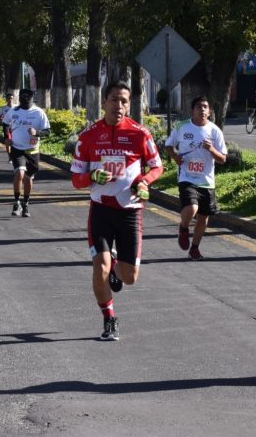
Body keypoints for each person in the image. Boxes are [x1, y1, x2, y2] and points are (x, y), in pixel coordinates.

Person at [71, 81, 163, 341]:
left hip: (130, 212)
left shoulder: (140, 134)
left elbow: (157, 167)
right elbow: (76, 179)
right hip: (100, 211)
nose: (119, 106)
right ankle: (109, 317)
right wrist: (91, 176)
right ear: (103, 102)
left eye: (124, 101)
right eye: (114, 100)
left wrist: (145, 181)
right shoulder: (88, 136)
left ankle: (115, 269)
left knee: (129, 277)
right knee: (99, 267)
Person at [164, 95, 227, 260]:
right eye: (199, 106)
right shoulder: (182, 126)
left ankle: (195, 248)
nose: (202, 110)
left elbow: (222, 159)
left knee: (203, 217)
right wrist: (175, 156)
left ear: (210, 111)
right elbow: (169, 145)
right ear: (192, 110)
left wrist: (212, 149)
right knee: (192, 208)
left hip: (206, 180)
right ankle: (184, 227)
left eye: (205, 107)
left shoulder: (215, 131)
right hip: (187, 176)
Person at [4, 88, 50, 217]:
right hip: (17, 148)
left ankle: (26, 203)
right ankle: (16, 202)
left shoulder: (39, 112)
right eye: (22, 96)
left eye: (27, 97)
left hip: (32, 150)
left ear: (31, 98)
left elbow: (48, 132)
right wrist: (7, 138)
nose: (25, 99)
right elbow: (5, 123)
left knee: (28, 178)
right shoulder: (13, 111)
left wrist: (37, 133)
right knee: (19, 173)